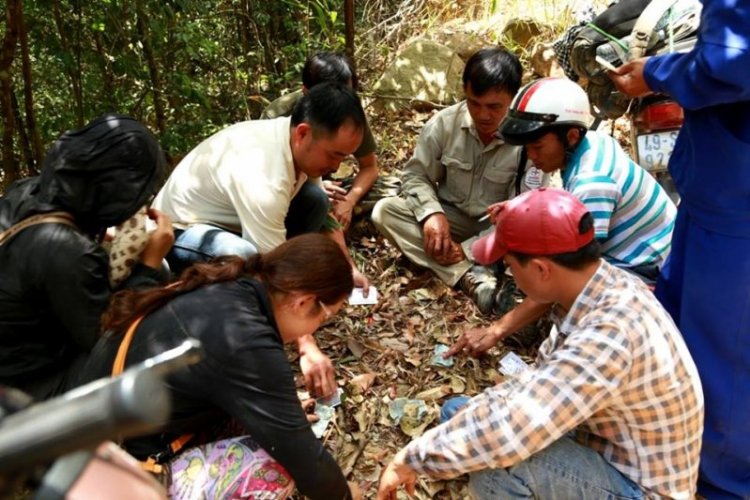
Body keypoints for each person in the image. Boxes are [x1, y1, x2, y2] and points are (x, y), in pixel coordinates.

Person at [378, 188, 704, 500]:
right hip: (599, 441)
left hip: (637, 486)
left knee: (500, 463)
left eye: (509, 266)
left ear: (540, 269)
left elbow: (513, 431)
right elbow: (531, 387)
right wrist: (437, 443)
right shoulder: (598, 286)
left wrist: (410, 460)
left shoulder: (608, 335)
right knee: (458, 415)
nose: (511, 276)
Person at [73, 234, 360, 500]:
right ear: (302, 302)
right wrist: (346, 495)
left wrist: (283, 415)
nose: (318, 326)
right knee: (273, 471)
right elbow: (306, 463)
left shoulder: (231, 283)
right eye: (325, 317)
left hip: (88, 435)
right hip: (112, 471)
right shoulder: (247, 340)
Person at [608, 1, 750, 497]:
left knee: (723, 365)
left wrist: (657, 72)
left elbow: (730, 63)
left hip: (735, 203)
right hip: (714, 190)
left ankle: (719, 483)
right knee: (680, 327)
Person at [153, 81, 369, 397]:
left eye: (344, 158)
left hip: (231, 218)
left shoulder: (297, 142)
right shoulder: (264, 177)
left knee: (314, 199)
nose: (336, 166)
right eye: (334, 156)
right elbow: (274, 270)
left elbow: (323, 216)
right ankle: (255, 320)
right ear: (303, 133)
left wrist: (344, 266)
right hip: (180, 232)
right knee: (242, 253)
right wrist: (306, 343)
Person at [447, 77, 677, 357]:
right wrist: (521, 208)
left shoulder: (593, 182)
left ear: (570, 136)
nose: (531, 157)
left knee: (550, 309)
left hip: (646, 276)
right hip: (640, 259)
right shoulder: (592, 142)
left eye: (538, 147)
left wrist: (496, 330)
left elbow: (574, 268)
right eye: (527, 148)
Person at [0, 114, 174, 400]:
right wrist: (150, 265)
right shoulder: (66, 250)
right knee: (153, 339)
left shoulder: (28, 189)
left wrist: (95, 231)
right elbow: (109, 335)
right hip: (26, 389)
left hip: (16, 352)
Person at [372, 47, 546, 314]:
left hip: (500, 227)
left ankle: (481, 265)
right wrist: (432, 215)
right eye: (473, 103)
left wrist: (468, 249)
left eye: (494, 106)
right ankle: (469, 276)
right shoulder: (444, 124)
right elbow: (416, 176)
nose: (482, 115)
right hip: (451, 217)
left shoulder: (528, 141)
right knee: (385, 212)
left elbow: (524, 211)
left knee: (534, 235)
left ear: (513, 98)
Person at [262, 51, 379, 230]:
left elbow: (369, 167)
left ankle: (335, 216)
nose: (341, 103)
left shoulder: (351, 115)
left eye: (346, 94)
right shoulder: (277, 114)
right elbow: (268, 179)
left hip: (334, 188)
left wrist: (348, 201)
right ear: (306, 92)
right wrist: (310, 184)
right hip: (293, 187)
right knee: (313, 198)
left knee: (392, 188)